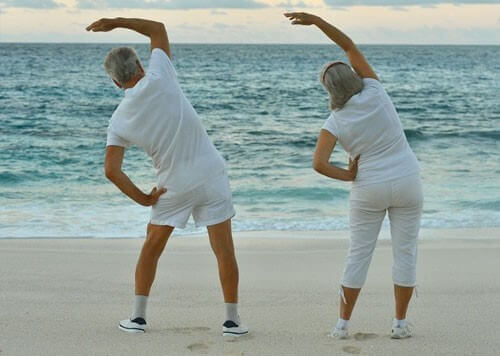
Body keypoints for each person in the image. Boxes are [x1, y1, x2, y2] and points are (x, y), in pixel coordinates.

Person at [86, 17, 248, 337]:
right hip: (212, 173)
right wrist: (115, 22)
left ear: (117, 84)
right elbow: (157, 29)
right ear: (140, 68)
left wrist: (143, 198)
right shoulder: (161, 76)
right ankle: (232, 322)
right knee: (224, 250)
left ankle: (138, 318)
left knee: (151, 247)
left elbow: (112, 171)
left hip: (174, 184)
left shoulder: (119, 121)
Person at [285, 12, 423, 340]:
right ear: (353, 76)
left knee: (359, 254)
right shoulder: (376, 91)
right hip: (407, 181)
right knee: (405, 252)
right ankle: (400, 324)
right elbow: (347, 44)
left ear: (328, 90)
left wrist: (348, 175)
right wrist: (316, 21)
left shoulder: (335, 121)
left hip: (368, 187)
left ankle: (342, 326)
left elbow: (318, 164)